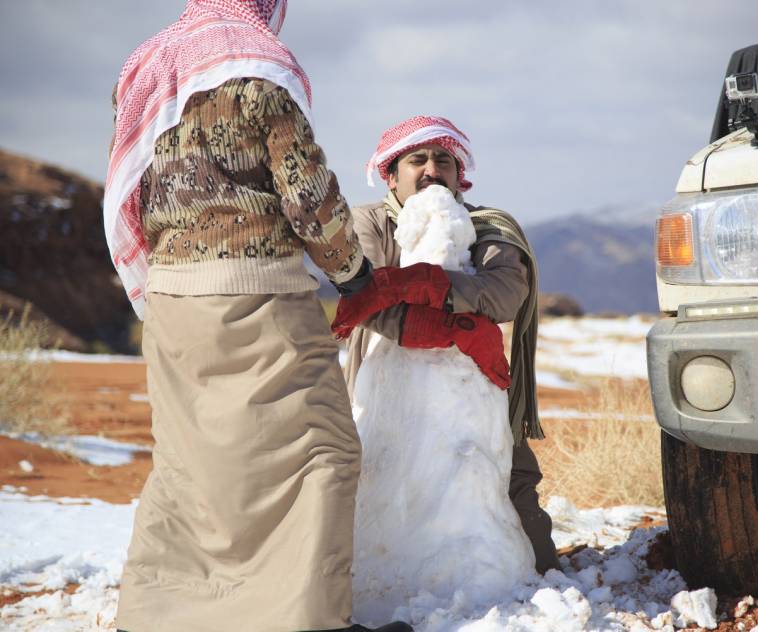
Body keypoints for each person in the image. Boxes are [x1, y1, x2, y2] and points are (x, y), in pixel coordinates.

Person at [103, 2, 427, 630]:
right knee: (323, 453)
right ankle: (309, 619)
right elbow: (307, 193)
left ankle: (158, 616)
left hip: (170, 302)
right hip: (256, 294)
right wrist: (351, 272)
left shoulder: (147, 65)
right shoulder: (255, 66)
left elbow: (127, 183)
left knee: (191, 468)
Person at [332, 115, 560, 575]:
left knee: (503, 481)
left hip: (472, 394)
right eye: (417, 160)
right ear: (391, 176)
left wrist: (424, 284)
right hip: (382, 394)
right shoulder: (366, 224)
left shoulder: (487, 227)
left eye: (444, 161)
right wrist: (462, 328)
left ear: (461, 177)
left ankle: (533, 584)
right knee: (370, 489)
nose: (431, 170)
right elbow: (370, 302)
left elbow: (505, 293)